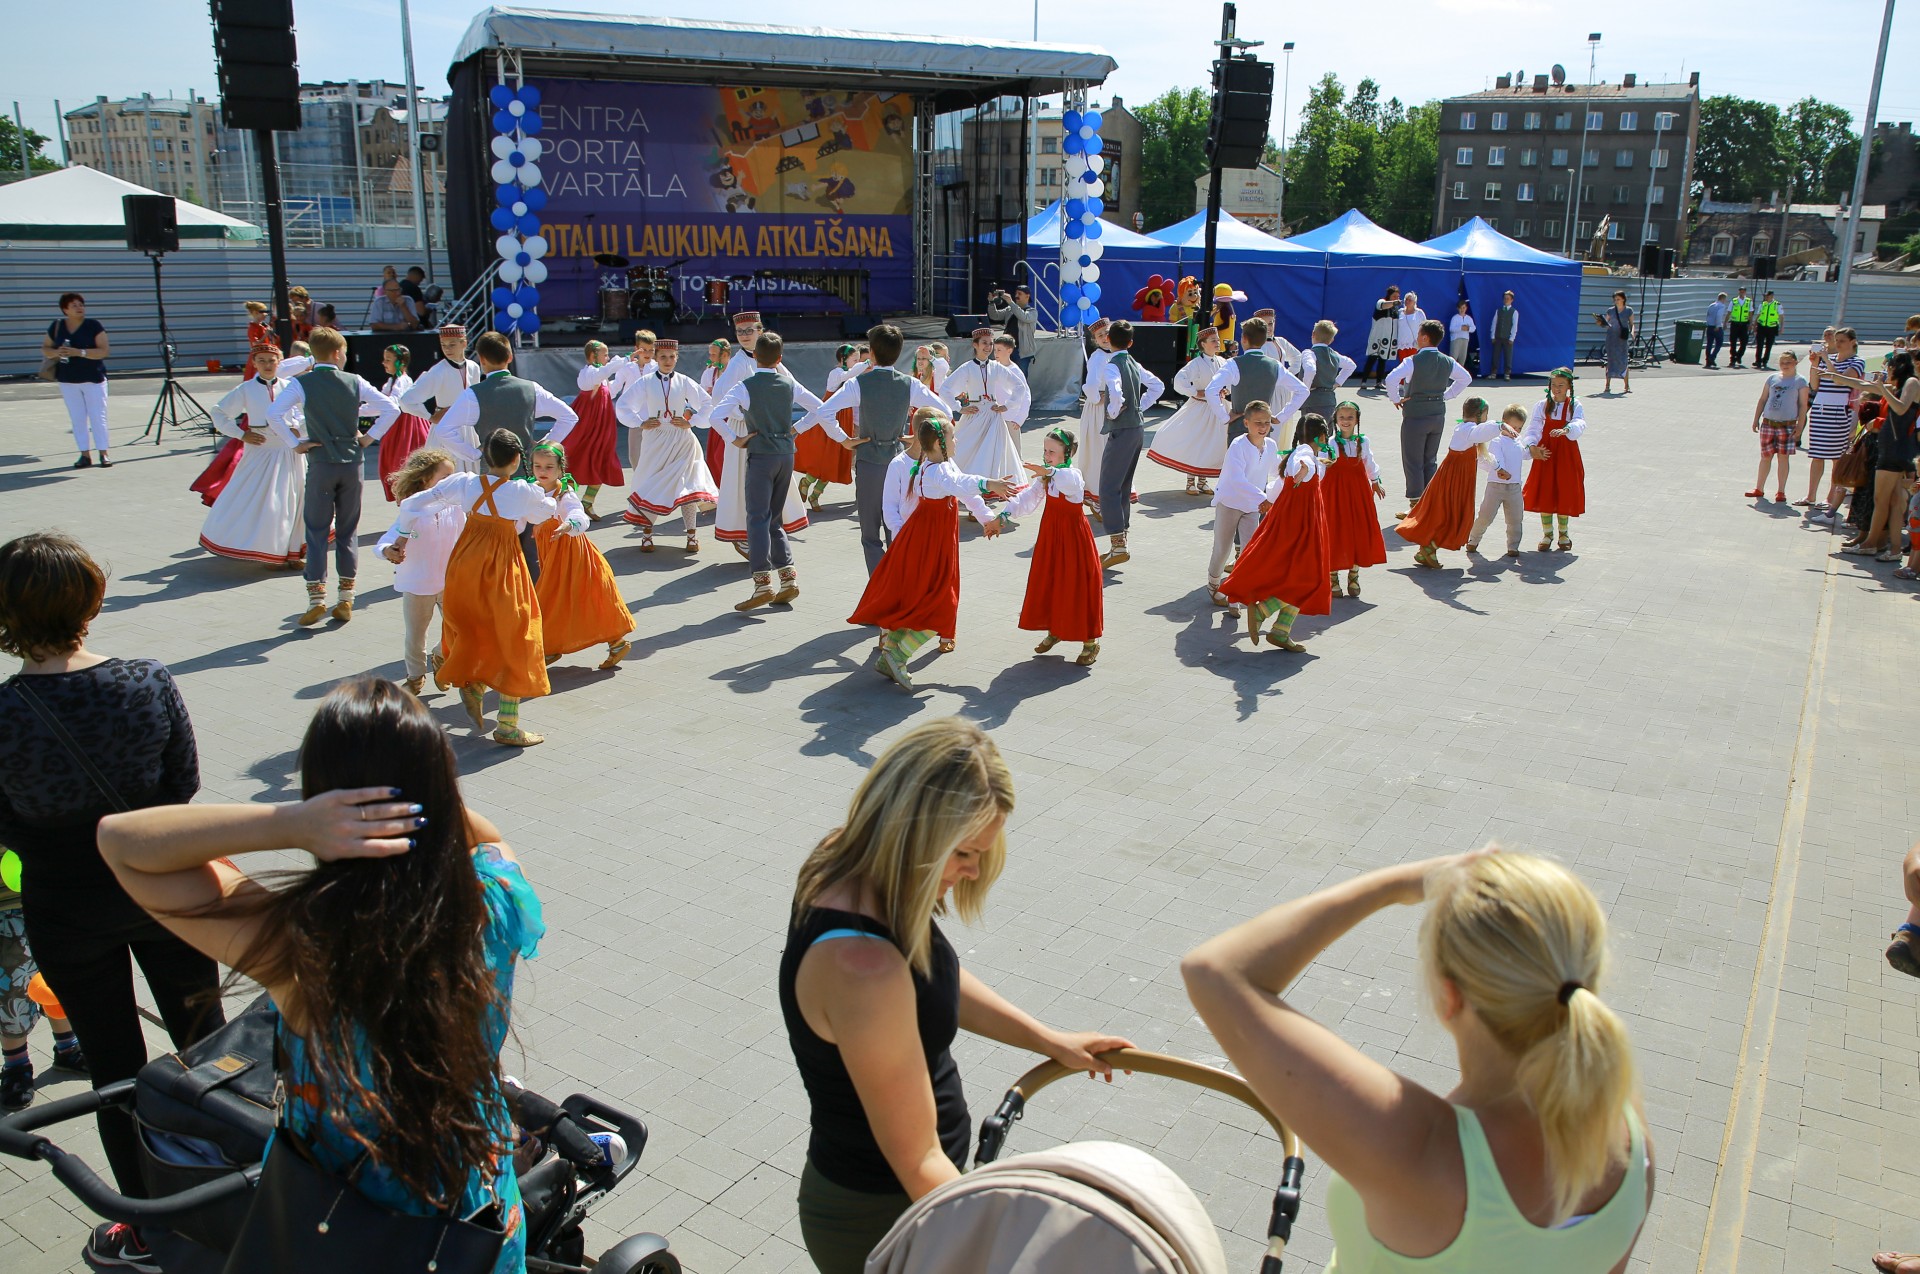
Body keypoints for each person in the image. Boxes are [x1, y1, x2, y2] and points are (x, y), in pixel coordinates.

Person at [95, 677, 545, 1274]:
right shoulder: (497, 896)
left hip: (345, 1232)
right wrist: (421, 796)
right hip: (476, 1222)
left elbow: (120, 842)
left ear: (320, 797)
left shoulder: (302, 950)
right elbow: (484, 835)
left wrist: (290, 822)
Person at [1181, 851, 1652, 1273]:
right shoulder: (1627, 1130)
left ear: (1449, 997)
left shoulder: (1420, 1148)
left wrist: (1400, 884)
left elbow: (1216, 971)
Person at [780, 717, 1132, 1273]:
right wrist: (1010, 1245)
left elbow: (931, 981)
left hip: (925, 1192)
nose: (970, 873)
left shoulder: (852, 862)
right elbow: (918, 1160)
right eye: (964, 852)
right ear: (913, 834)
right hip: (887, 1213)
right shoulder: (863, 969)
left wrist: (1048, 1039)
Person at [0, 532, 225, 1270]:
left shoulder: (5, 712)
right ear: (92, 602)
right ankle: (228, 1187)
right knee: (208, 1051)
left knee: (113, 1069)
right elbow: (182, 785)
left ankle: (149, 1227)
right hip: (167, 888)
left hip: (65, 906)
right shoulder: (146, 680)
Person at [393, 429, 558, 746]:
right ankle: (507, 724)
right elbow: (544, 512)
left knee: (473, 624)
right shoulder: (522, 491)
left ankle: (473, 682)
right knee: (519, 633)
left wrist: (401, 534)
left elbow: (415, 502)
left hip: (465, 560)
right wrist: (547, 492)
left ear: (486, 456)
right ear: (515, 460)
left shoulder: (466, 483)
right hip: (502, 565)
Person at [849, 411, 1012, 689]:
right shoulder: (935, 469)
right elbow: (960, 484)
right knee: (938, 604)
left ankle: (889, 655)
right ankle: (898, 653)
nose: (956, 440)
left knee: (926, 598)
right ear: (938, 443)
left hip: (932, 540)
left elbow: (963, 490)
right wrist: (990, 483)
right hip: (927, 542)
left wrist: (987, 518)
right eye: (951, 436)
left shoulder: (934, 465)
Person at [267, 327, 400, 626]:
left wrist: (295, 444)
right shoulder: (355, 381)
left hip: (321, 461)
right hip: (352, 462)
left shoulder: (302, 383)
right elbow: (391, 408)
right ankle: (346, 598)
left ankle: (316, 597)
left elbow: (274, 414)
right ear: (339, 354)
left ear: (313, 353)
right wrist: (369, 437)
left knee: (316, 529)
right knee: (348, 530)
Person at [798, 323, 950, 573]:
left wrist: (843, 439)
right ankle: (898, 583)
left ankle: (879, 586)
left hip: (869, 461)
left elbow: (824, 411)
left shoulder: (859, 383)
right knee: (896, 527)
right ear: (899, 353)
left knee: (870, 533)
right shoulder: (908, 384)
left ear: (872, 351)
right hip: (898, 462)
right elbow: (944, 411)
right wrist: (917, 439)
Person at [709, 331, 823, 610]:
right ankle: (788, 579)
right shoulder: (789, 383)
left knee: (758, 519)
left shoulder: (745, 386)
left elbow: (715, 415)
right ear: (780, 358)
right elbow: (820, 408)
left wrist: (734, 438)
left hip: (760, 456)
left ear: (755, 356)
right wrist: (796, 429)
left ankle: (763, 584)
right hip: (785, 456)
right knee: (774, 519)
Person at [1219, 413, 1333, 652]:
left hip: (1297, 521)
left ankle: (1281, 630)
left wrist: (1269, 499)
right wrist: (1307, 468)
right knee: (1310, 576)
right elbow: (1303, 465)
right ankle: (1264, 610)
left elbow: (1282, 482)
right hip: (1303, 524)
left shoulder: (1302, 455)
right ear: (1322, 436)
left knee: (1302, 575)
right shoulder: (1303, 457)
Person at [200, 343, 317, 567]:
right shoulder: (246, 389)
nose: (267, 365)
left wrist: (298, 429)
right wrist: (240, 434)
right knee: (267, 503)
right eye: (261, 360)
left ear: (279, 362)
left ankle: (294, 551)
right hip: (261, 451)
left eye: (272, 360)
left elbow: (308, 413)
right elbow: (218, 412)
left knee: (293, 500)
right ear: (254, 363)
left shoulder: (292, 386)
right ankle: (269, 551)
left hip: (289, 451)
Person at [529, 442, 634, 672]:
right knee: (566, 598)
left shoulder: (564, 494)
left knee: (554, 597)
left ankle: (549, 647)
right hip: (551, 554)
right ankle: (611, 642)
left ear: (560, 470)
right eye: (537, 466)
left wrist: (568, 524)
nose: (542, 471)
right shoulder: (531, 489)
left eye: (548, 466)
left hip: (570, 552)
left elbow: (578, 514)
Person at [1008, 427, 1103, 667]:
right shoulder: (1047, 478)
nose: (1046, 455)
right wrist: (1001, 517)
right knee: (1050, 581)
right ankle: (1056, 630)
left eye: (1052, 451)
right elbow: (1027, 501)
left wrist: (1048, 471)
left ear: (1067, 453)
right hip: (1051, 537)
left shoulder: (1072, 475)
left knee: (1076, 585)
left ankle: (1090, 642)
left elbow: (1069, 482)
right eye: (1045, 451)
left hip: (1073, 540)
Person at [374, 448, 462, 696]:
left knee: (459, 629)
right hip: (416, 584)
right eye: (443, 478)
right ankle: (415, 678)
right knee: (415, 637)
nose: (449, 483)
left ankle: (440, 657)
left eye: (452, 478)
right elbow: (388, 539)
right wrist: (387, 551)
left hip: (449, 583)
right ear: (425, 479)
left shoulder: (455, 508)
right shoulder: (410, 511)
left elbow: (468, 535)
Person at [436, 331, 580, 481]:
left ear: (482, 360)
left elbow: (443, 430)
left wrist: (474, 454)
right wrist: (542, 445)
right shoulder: (532, 389)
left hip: (491, 473)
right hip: (525, 471)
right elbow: (569, 417)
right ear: (510, 357)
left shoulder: (472, 395)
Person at [616, 338, 716, 553]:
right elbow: (624, 404)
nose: (668, 361)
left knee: (686, 486)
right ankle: (647, 535)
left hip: (682, 439)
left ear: (677, 357)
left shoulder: (684, 381)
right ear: (655, 358)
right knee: (650, 483)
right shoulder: (645, 382)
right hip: (656, 439)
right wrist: (640, 422)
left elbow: (707, 403)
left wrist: (693, 421)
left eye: (671, 357)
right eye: (663, 357)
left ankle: (691, 536)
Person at [1, 869, 87, 1110]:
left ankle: (68, 1049)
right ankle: (16, 1065)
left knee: (58, 979)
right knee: (11, 991)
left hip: (49, 890)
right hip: (5, 905)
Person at [1823, 351, 1919, 563]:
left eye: (1889, 367)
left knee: (1880, 499)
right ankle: (1892, 548)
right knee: (1894, 502)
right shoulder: (1896, 388)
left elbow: (1902, 409)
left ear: (1898, 367)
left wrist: (1884, 388)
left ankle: (1870, 543)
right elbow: (1864, 386)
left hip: (1896, 449)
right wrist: (1833, 376)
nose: (1886, 371)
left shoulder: (1911, 383)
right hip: (1892, 447)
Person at [1091, 320, 1165, 570]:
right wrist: (1140, 407)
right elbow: (1158, 385)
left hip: (1122, 429)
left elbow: (1115, 390)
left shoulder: (1112, 365)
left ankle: (1118, 544)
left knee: (1109, 487)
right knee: (1122, 485)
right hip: (1137, 429)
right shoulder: (1133, 362)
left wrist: (1113, 411)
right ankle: (1120, 540)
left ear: (1109, 340)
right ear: (1131, 343)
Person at [1397, 398, 1502, 569]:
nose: (1486, 417)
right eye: (1485, 414)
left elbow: (1482, 456)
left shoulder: (1470, 430)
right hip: (1455, 479)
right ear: (1478, 414)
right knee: (1450, 513)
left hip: (1460, 478)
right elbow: (1486, 431)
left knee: (1451, 512)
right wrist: (1501, 426)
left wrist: (1497, 468)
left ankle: (1426, 550)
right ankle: (1429, 548)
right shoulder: (1467, 429)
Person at [1384, 319, 1473, 514]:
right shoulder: (1447, 361)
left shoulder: (1412, 361)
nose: (1416, 338)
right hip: (1437, 415)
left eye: (1418, 334)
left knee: (1413, 460)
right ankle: (1431, 503)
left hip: (1415, 415)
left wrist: (1396, 399)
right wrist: (1447, 395)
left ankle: (1416, 506)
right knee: (1429, 459)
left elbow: (1390, 379)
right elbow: (1466, 378)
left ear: (1424, 338)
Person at [1206, 401, 1281, 608]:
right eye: (1258, 422)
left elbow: (1276, 473)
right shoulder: (1238, 445)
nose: (1263, 427)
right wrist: (1264, 498)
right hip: (1230, 503)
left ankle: (1237, 593)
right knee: (1223, 548)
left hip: (1252, 507)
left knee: (1249, 550)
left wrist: (1295, 471)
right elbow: (1237, 480)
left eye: (1267, 422)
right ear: (1246, 423)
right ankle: (1213, 583)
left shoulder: (1271, 445)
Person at [943, 327, 1026, 505]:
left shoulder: (996, 367)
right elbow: (945, 388)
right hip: (975, 415)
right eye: (984, 343)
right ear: (975, 345)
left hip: (993, 417)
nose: (988, 347)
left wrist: (1007, 406)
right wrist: (959, 407)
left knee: (991, 454)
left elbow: (1019, 387)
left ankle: (982, 496)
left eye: (990, 343)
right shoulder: (967, 368)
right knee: (966, 450)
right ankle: (970, 493)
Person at [1147, 324, 1229, 493]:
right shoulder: (1196, 364)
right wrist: (1195, 392)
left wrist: (1226, 390)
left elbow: (1230, 380)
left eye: (1218, 340)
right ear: (1203, 343)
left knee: (1211, 443)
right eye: (1213, 340)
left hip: (1218, 409)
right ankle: (1190, 480)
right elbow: (1179, 380)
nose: (1217, 343)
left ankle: (1203, 480)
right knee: (1196, 441)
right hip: (1200, 409)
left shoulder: (1223, 361)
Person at [1207, 316, 1307, 449]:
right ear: (1265, 339)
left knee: (1238, 468)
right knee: (1261, 467)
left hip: (1239, 428)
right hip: (1263, 431)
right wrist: (1281, 417)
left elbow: (1210, 390)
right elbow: (1303, 390)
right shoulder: (1275, 366)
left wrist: (1224, 417)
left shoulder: (1233, 364)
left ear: (1243, 339)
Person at [1323, 401, 1388, 597]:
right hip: (1335, 493)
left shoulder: (1363, 441)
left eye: (1350, 417)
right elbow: (1322, 466)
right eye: (1342, 417)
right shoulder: (1331, 443)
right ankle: (1332, 575)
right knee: (1335, 529)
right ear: (1335, 419)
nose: (1346, 421)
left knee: (1357, 529)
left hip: (1358, 492)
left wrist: (1375, 481)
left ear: (1357, 420)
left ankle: (1354, 574)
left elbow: (1369, 462)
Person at [44, 293, 112, 470]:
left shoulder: (93, 325)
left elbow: (104, 351)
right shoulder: (57, 326)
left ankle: (104, 453)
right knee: (77, 419)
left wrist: (79, 352)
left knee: (98, 417)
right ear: (65, 309)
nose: (79, 307)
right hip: (68, 380)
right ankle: (84, 454)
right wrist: (58, 352)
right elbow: (46, 348)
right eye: (74, 305)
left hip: (93, 379)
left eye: (81, 304)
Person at [1523, 370, 1589, 552]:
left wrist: (1567, 430)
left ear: (1569, 387)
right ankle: (1547, 533)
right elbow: (1534, 428)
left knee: (1564, 489)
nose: (1557, 389)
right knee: (1546, 489)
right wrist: (1532, 447)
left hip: (1566, 453)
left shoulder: (1574, 405)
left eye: (1561, 385)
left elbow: (1579, 422)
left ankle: (1564, 533)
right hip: (1547, 453)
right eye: (1553, 385)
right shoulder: (1542, 405)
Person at [560, 341, 626, 520]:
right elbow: (603, 373)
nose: (608, 358)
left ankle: (587, 503)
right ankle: (567, 503)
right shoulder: (588, 374)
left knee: (600, 460)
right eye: (605, 355)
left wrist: (628, 368)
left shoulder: (600, 376)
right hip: (587, 428)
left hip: (601, 428)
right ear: (592, 356)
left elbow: (611, 389)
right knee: (577, 460)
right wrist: (625, 360)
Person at [402, 325, 483, 469]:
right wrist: (430, 417)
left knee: (472, 473)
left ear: (464, 343)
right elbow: (406, 400)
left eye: (452, 344)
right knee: (445, 472)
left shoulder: (473, 367)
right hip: (446, 427)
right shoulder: (438, 371)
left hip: (469, 429)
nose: (447, 349)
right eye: (443, 345)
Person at [1802, 330, 1863, 517]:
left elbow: (1840, 381)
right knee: (1817, 454)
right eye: (1837, 340)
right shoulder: (1830, 358)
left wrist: (1827, 361)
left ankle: (1830, 498)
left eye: (1842, 341)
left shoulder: (1857, 361)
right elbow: (1814, 385)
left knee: (1837, 457)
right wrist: (1814, 365)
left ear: (1853, 342)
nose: (1837, 344)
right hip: (1820, 410)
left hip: (1838, 411)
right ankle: (1810, 495)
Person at [797, 345, 863, 511]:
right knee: (824, 457)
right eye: (854, 360)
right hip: (831, 416)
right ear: (843, 359)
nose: (857, 363)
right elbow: (848, 375)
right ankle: (806, 482)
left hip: (844, 418)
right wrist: (867, 363)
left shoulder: (853, 377)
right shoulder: (837, 374)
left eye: (858, 360)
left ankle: (815, 496)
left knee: (834, 460)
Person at [369, 344, 433, 503]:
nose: (384, 363)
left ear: (401, 363)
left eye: (388, 360)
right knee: (394, 464)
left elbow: (391, 402)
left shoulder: (403, 380)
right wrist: (359, 410)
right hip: (396, 427)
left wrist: (374, 405)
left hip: (408, 428)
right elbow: (381, 404)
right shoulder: (391, 382)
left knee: (404, 463)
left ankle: (410, 502)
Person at [1466, 404, 1531, 559]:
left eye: (1520, 428)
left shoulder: (1518, 441)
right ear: (1504, 423)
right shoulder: (1497, 440)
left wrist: (1535, 452)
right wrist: (1500, 469)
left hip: (1514, 487)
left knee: (1515, 518)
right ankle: (1473, 540)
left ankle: (1513, 546)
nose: (1516, 431)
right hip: (1495, 486)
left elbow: (1525, 454)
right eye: (1513, 427)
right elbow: (1495, 458)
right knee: (1485, 516)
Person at [1747, 353, 1808, 504]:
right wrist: (1756, 419)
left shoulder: (1800, 381)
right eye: (1782, 362)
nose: (1785, 365)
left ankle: (1781, 491)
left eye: (1788, 362)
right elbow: (1763, 399)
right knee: (1765, 457)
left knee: (1783, 457)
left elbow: (1803, 405)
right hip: (1768, 423)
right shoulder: (1772, 378)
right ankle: (1759, 488)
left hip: (1787, 425)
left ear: (1795, 362)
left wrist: (1800, 425)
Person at [1074, 319, 1115, 517]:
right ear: (1095, 341)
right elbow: (1090, 385)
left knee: (1112, 452)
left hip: (1114, 407)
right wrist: (1098, 397)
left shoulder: (1119, 353)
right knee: (1100, 451)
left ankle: (1108, 495)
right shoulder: (1097, 358)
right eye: (1100, 336)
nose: (1105, 338)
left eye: (1107, 333)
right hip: (1099, 410)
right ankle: (1097, 497)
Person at [1297, 320, 1357, 424]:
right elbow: (1351, 365)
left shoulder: (1309, 353)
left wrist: (1305, 389)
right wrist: (1337, 383)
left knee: (1311, 434)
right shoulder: (1335, 355)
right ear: (1332, 339)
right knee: (1326, 433)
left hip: (1312, 401)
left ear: (1313, 334)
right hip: (1329, 400)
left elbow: (1310, 370)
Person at [987, 283, 1038, 376]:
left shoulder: (1032, 312)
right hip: (1007, 347)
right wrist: (991, 302)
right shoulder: (1010, 309)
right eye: (1016, 293)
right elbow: (995, 316)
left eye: (1020, 294)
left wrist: (1011, 302)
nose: (1016, 296)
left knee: (1020, 376)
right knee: (1004, 374)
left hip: (1022, 350)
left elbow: (1023, 317)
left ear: (1027, 296)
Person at [1360, 285, 1401, 388]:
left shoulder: (1395, 310)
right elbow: (1382, 305)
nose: (1396, 298)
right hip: (1377, 337)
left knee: (1383, 361)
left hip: (1387, 339)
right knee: (1372, 358)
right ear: (1389, 295)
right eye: (1394, 296)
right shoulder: (1381, 302)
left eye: (1398, 296)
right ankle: (1364, 381)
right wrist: (1394, 302)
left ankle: (1379, 382)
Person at [1598, 291, 1633, 394]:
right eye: (1615, 299)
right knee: (1610, 361)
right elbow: (1605, 323)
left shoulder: (1628, 310)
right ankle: (1607, 385)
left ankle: (1627, 386)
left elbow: (1632, 323)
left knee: (1624, 361)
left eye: (1618, 299)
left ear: (1623, 299)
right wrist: (1600, 322)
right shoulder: (1611, 310)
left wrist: (1632, 332)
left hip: (1622, 339)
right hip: (1611, 338)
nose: (1616, 301)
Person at [1489, 291, 1520, 380]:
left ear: (1512, 300)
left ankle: (1507, 373)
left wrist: (1512, 338)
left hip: (1507, 338)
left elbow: (1514, 326)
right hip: (1498, 337)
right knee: (1495, 355)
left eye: (1508, 299)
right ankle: (1493, 373)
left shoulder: (1514, 312)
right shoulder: (1498, 311)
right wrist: (1493, 336)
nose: (1506, 300)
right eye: (1505, 298)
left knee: (1508, 356)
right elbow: (1494, 323)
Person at [1395, 291, 1427, 361]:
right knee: (1403, 364)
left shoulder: (1419, 313)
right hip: (1401, 343)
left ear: (1414, 302)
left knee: (1413, 365)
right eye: (1406, 299)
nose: (1407, 301)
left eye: (1410, 300)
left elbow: (1425, 327)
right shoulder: (1400, 312)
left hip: (1414, 343)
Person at [1727, 287, 1754, 368]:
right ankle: (1733, 359)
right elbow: (1729, 312)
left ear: (1745, 292)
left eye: (1743, 292)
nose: (1742, 293)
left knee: (1744, 342)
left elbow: (1750, 313)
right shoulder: (1734, 301)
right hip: (1735, 324)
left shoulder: (1749, 301)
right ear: (1739, 292)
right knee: (1733, 342)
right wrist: (1725, 322)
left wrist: (1750, 324)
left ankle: (1738, 356)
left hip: (1744, 324)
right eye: (1740, 292)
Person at [1754, 291, 1782, 368]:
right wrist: (1754, 325)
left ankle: (1765, 360)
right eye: (1765, 296)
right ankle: (1758, 361)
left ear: (1772, 296)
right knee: (1759, 344)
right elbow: (1758, 315)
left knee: (1768, 345)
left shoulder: (1777, 305)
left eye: (1767, 296)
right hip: (1762, 326)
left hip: (1772, 327)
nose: (1766, 297)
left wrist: (1781, 328)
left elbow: (1781, 316)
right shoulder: (1762, 304)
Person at [1704, 292, 1729, 369]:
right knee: (1719, 343)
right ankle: (1712, 357)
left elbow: (1708, 315)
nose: (1725, 300)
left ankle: (1708, 360)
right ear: (1722, 298)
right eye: (1725, 299)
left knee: (1709, 344)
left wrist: (1708, 324)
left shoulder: (1711, 305)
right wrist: (1718, 325)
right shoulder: (1721, 306)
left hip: (1710, 326)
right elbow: (1719, 316)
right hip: (1716, 327)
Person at [1449, 300, 1476, 365]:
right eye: (1460, 308)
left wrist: (1468, 328)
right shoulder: (1455, 318)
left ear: (1466, 308)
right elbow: (1451, 329)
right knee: (1453, 358)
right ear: (1458, 308)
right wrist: (1461, 328)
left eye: (1463, 307)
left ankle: (1459, 374)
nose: (1462, 309)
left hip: (1465, 339)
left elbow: (1473, 328)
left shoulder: (1469, 318)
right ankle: (1450, 374)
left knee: (1462, 359)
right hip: (1456, 339)